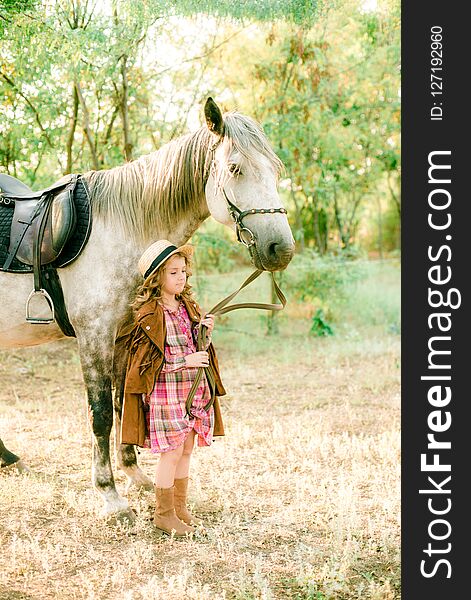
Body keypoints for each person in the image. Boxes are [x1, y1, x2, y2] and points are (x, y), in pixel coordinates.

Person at [120, 239, 226, 537]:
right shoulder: (150, 315)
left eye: (184, 273)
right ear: (157, 278)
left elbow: (194, 344)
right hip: (166, 393)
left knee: (187, 449)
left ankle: (179, 507)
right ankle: (163, 514)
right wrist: (184, 360)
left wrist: (203, 331)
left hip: (190, 390)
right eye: (174, 273)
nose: (181, 278)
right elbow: (147, 364)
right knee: (171, 451)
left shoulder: (186, 307)